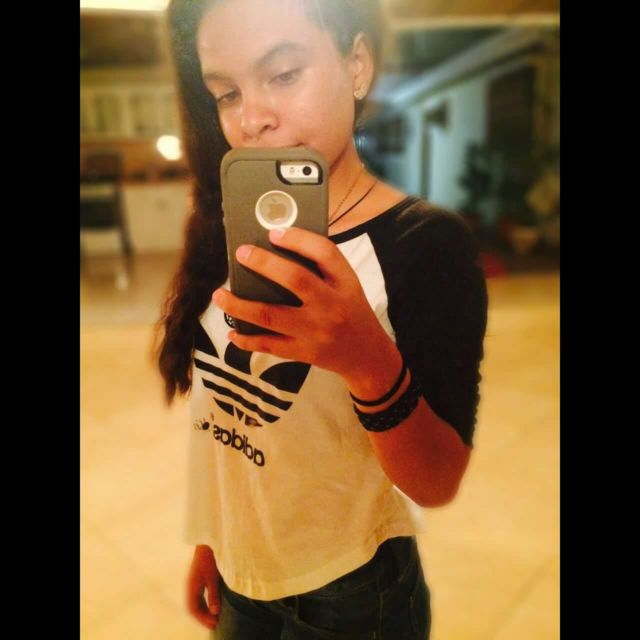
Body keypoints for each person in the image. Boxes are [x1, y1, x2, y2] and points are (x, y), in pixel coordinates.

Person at [157, 1, 488, 637]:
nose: (251, 118)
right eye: (227, 93)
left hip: (354, 587)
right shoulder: (239, 221)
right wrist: (216, 539)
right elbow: (229, 415)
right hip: (245, 573)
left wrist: (368, 362)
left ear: (356, 64)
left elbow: (437, 481)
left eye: (283, 74)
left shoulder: (424, 243)